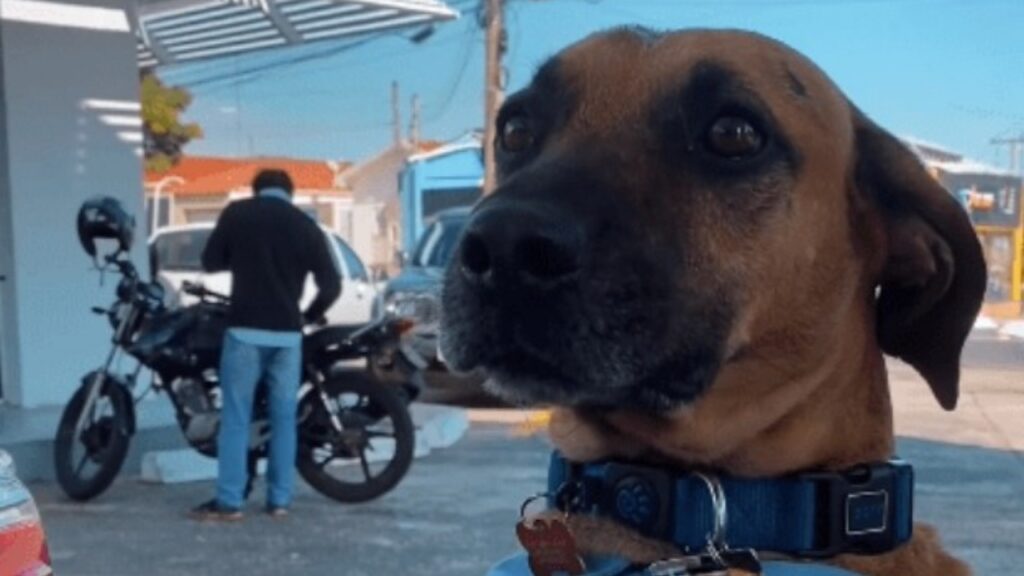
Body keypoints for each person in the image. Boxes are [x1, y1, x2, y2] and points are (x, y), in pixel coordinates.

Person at [190, 168, 341, 521]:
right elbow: (331, 285)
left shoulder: (238, 214)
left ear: (257, 190)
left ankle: (229, 502)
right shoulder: (306, 226)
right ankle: (280, 501)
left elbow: (210, 261)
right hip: (288, 336)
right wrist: (307, 316)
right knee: (284, 418)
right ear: (290, 192)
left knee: (236, 418)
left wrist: (240, 258)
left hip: (244, 331)